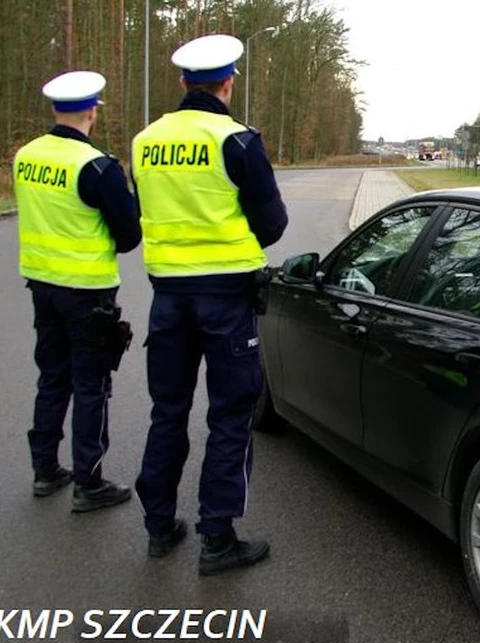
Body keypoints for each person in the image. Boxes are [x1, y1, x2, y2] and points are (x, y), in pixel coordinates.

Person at [132, 34, 287, 574]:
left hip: (168, 299)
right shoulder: (237, 141)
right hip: (225, 301)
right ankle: (217, 540)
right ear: (229, 82)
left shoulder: (144, 141)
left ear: (181, 82)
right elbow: (272, 224)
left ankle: (158, 527)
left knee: (167, 412)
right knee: (229, 414)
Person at [14, 71, 141, 511]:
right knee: (91, 385)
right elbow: (128, 237)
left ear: (53, 109)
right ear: (92, 110)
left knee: (52, 378)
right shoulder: (97, 167)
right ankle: (90, 482)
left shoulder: (25, 156)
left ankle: (45, 471)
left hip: (42, 286)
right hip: (87, 292)